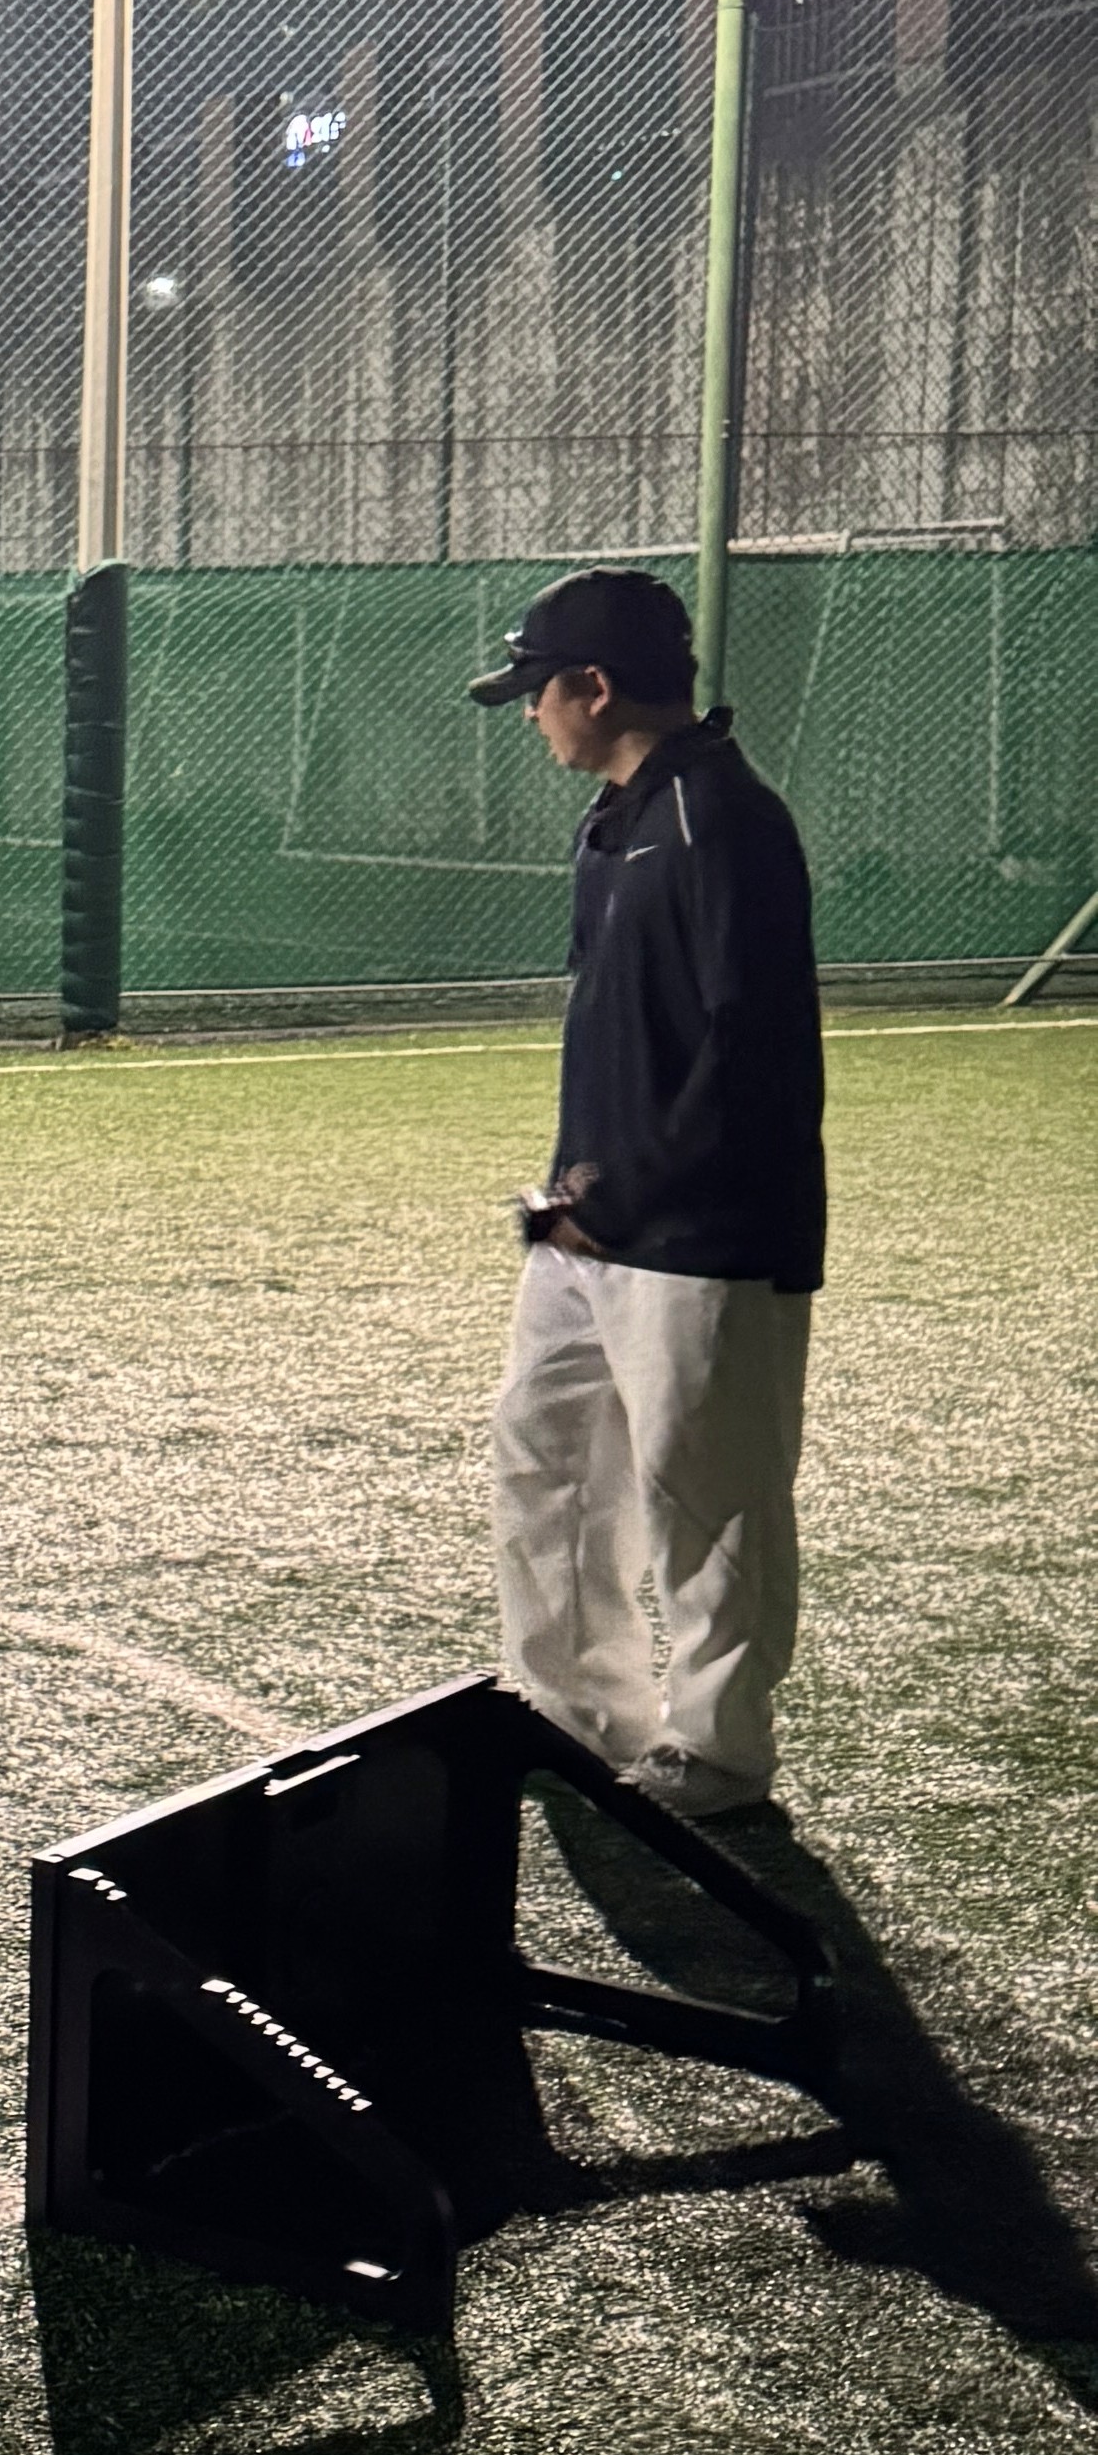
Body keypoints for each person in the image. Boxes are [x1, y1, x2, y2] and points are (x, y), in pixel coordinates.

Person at [474, 567, 824, 1821]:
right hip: (590, 1226)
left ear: (596, 686)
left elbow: (751, 1054)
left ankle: (717, 1754)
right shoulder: (618, 818)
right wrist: (576, 1190)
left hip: (708, 1235)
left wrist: (623, 1192)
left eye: (537, 691)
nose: (531, 715)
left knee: (707, 1496)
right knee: (546, 1459)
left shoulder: (727, 820)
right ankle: (572, 1716)